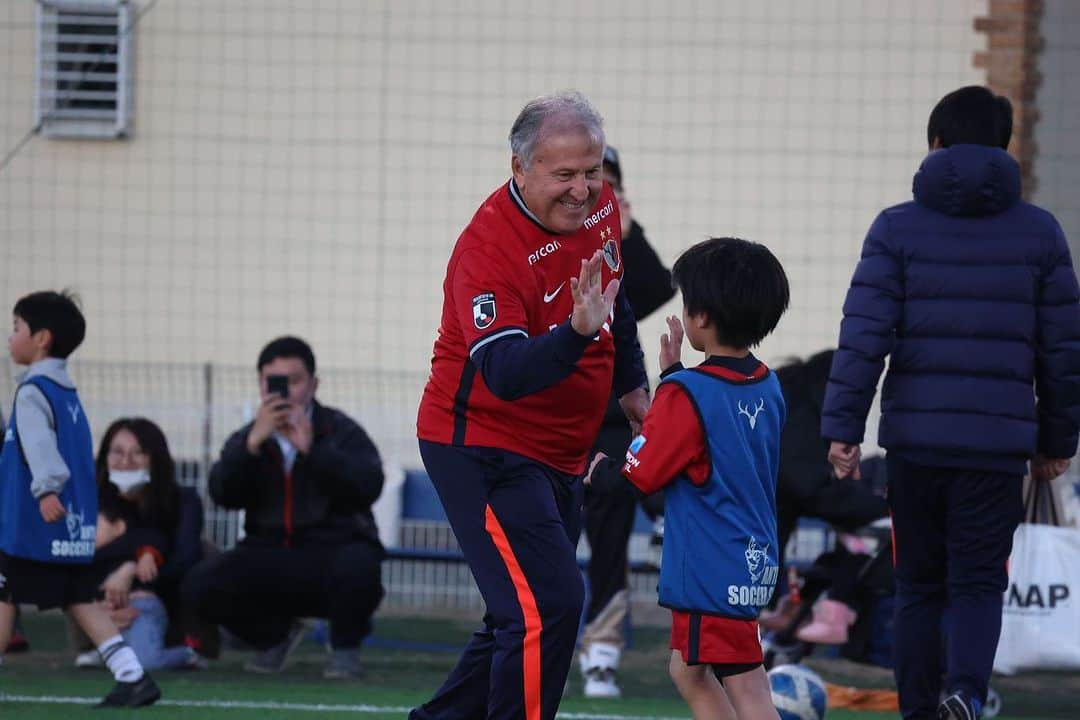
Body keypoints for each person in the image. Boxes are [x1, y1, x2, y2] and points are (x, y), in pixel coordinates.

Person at [822, 86, 1080, 720]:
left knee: (918, 586)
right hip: (997, 451)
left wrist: (843, 427)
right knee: (978, 584)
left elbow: (863, 337)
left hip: (914, 446)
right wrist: (1057, 441)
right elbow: (1063, 351)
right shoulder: (1040, 233)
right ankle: (964, 694)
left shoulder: (895, 228)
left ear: (935, 143)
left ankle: (918, 710)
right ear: (1004, 147)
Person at [414, 91, 649, 720]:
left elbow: (615, 302)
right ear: (519, 168)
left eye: (592, 171)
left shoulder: (601, 211)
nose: (582, 191)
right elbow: (504, 373)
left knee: (519, 613)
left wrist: (634, 387)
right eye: (565, 175)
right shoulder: (486, 251)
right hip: (481, 444)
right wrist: (575, 333)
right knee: (549, 605)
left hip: (560, 451)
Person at [588, 237, 790, 720]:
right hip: (749, 555)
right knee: (689, 669)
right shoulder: (766, 381)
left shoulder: (687, 393)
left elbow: (645, 472)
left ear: (701, 318)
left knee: (746, 684)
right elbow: (718, 438)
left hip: (711, 565)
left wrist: (601, 473)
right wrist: (676, 373)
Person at [182, 336, 385, 680]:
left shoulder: (340, 430)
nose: (285, 391)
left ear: (313, 385)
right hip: (268, 551)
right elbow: (222, 494)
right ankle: (273, 636)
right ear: (261, 384)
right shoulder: (249, 436)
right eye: (274, 382)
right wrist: (250, 447)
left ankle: (345, 649)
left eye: (294, 381)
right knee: (200, 584)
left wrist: (315, 452)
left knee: (361, 564)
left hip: (331, 551)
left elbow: (369, 486)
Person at [0, 290, 161, 706]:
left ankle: (132, 677)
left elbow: (39, 449)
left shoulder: (33, 392)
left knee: (3, 593)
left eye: (16, 327)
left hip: (33, 524)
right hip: (70, 526)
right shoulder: (68, 394)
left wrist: (46, 490)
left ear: (42, 338)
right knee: (78, 597)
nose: (9, 336)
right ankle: (132, 675)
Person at [579, 144, 675, 698]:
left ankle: (603, 655)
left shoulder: (619, 242)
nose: (594, 189)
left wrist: (628, 233)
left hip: (617, 414)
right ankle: (551, 640)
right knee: (566, 539)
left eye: (605, 179)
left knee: (612, 535)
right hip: (562, 417)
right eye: (588, 176)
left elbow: (655, 291)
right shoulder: (554, 241)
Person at [72, 417, 206, 671]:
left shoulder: (183, 501)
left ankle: (188, 643)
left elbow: (184, 561)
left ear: (156, 458)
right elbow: (75, 559)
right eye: (118, 452)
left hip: (159, 604)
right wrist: (102, 604)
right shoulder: (92, 503)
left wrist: (130, 572)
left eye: (139, 453)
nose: (126, 461)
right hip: (100, 604)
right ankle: (100, 643)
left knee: (206, 553)